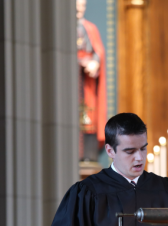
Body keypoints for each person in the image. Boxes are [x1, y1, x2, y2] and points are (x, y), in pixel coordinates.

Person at [77, 0, 107, 161]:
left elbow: (98, 51)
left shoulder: (90, 28)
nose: (79, 8)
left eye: (82, 4)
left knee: (88, 113)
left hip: (87, 83)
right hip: (70, 80)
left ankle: (88, 155)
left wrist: (95, 61)